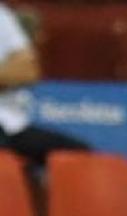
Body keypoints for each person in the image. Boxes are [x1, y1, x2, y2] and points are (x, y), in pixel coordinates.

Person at [0, 6, 89, 167]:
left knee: (80, 157)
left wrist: (10, 72)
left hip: (10, 126)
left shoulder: (1, 16)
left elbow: (26, 70)